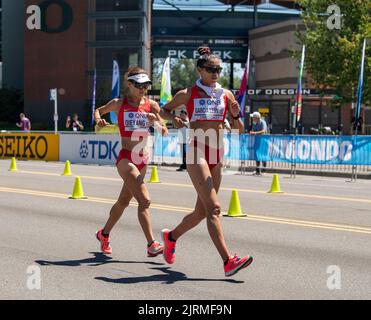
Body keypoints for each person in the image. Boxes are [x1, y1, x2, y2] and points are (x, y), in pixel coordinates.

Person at [160, 46, 253, 277]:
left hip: (217, 153)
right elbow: (163, 111)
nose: (215, 73)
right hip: (197, 151)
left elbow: (239, 129)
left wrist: (235, 115)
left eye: (219, 69)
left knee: (201, 212)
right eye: (211, 69)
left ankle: (171, 237)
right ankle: (228, 261)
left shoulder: (226, 94)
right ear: (200, 69)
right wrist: (176, 120)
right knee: (215, 209)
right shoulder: (188, 93)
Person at [94, 66, 168, 256]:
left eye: (146, 85)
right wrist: (99, 121)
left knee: (123, 202)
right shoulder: (119, 103)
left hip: (142, 158)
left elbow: (164, 131)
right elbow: (98, 111)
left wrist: (156, 123)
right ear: (129, 84)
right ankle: (152, 244)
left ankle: (104, 234)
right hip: (126, 158)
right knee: (145, 200)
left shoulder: (151, 105)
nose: (143, 89)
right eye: (139, 85)